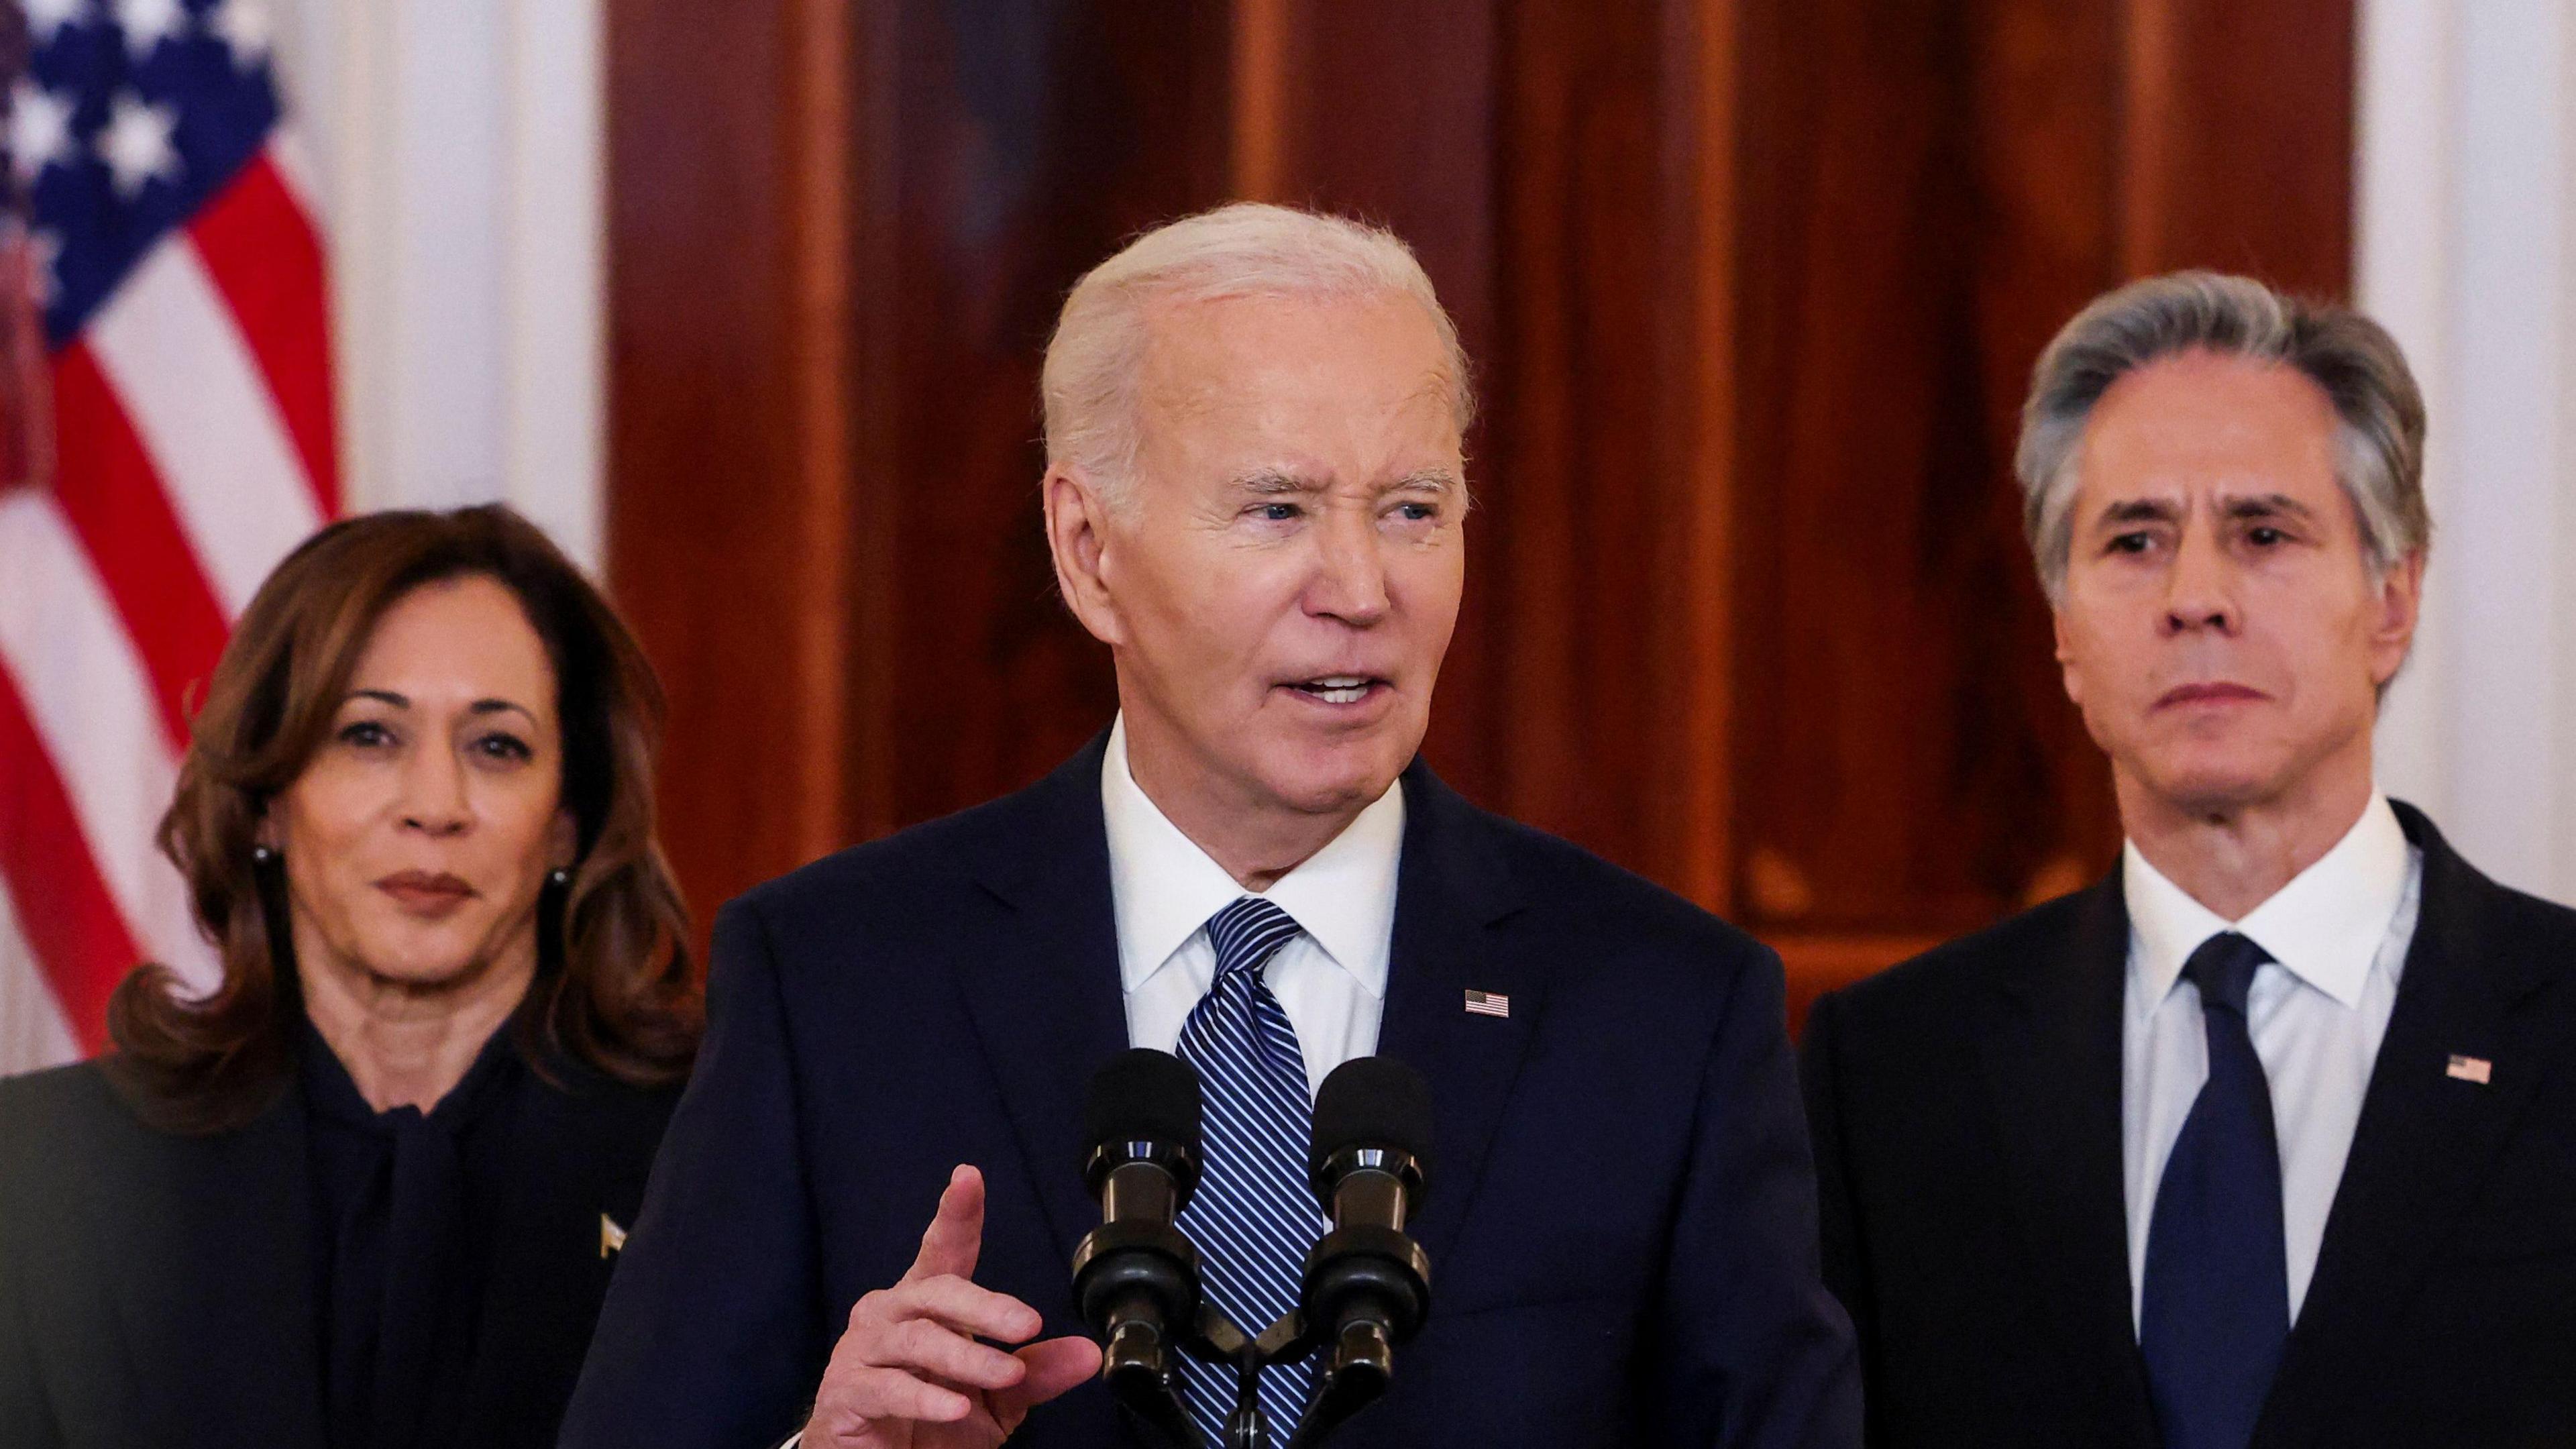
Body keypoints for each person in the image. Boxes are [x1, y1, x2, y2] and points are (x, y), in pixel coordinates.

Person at [562, 203, 1858, 1448]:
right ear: (1088, 551)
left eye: (1412, 508)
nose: (1360, 590)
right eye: (1278, 509)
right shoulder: (837, 982)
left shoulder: (1666, 1011)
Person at [1801, 274, 2576, 1448]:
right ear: (2063, 625)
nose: (2195, 598)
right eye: (2135, 540)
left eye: (2264, 534)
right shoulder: (1892, 1074)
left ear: (2394, 599)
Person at [0, 505, 702, 1449]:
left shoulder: (707, 1158)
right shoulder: (43, 1170)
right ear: (267, 803)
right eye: (370, 736)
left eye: (497, 746)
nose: (435, 807)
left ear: (567, 825)